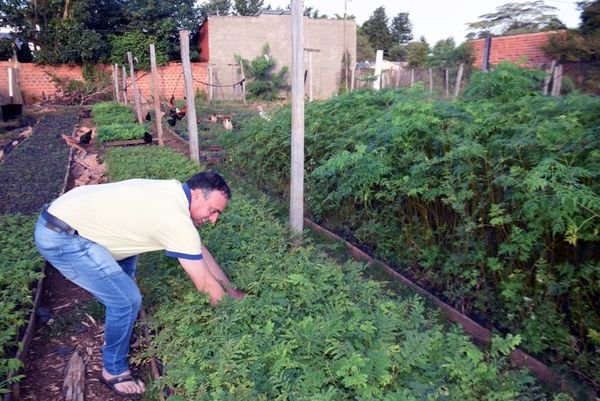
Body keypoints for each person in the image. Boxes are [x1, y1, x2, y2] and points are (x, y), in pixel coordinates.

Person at [34, 171, 244, 398]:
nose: (213, 220)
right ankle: (113, 370)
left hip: (71, 221)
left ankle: (122, 334)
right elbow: (204, 283)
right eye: (213, 211)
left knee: (124, 279)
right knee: (126, 300)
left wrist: (230, 290)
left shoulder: (174, 191)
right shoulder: (174, 218)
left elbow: (198, 251)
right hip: (63, 236)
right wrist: (234, 318)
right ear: (196, 194)